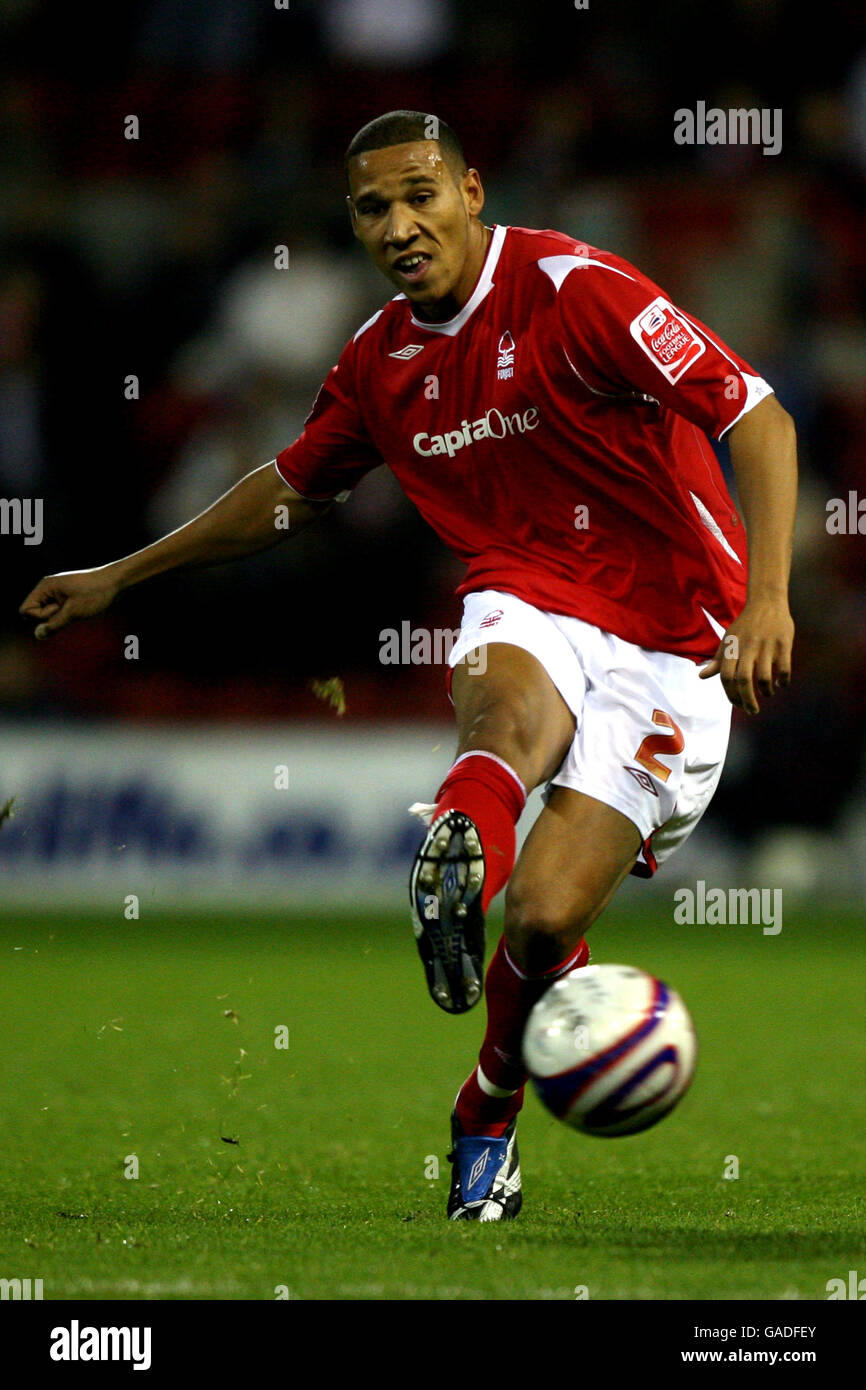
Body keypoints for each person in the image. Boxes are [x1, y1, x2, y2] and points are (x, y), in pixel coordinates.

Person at [20, 110, 797, 1223]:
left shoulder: (576, 289)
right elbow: (288, 491)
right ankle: (457, 854)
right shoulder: (378, 361)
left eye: (418, 195)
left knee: (539, 921)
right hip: (525, 595)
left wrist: (765, 599)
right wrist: (122, 575)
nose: (398, 224)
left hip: (677, 641)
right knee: (501, 712)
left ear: (470, 192)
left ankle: (484, 1105)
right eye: (372, 207)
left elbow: (757, 416)